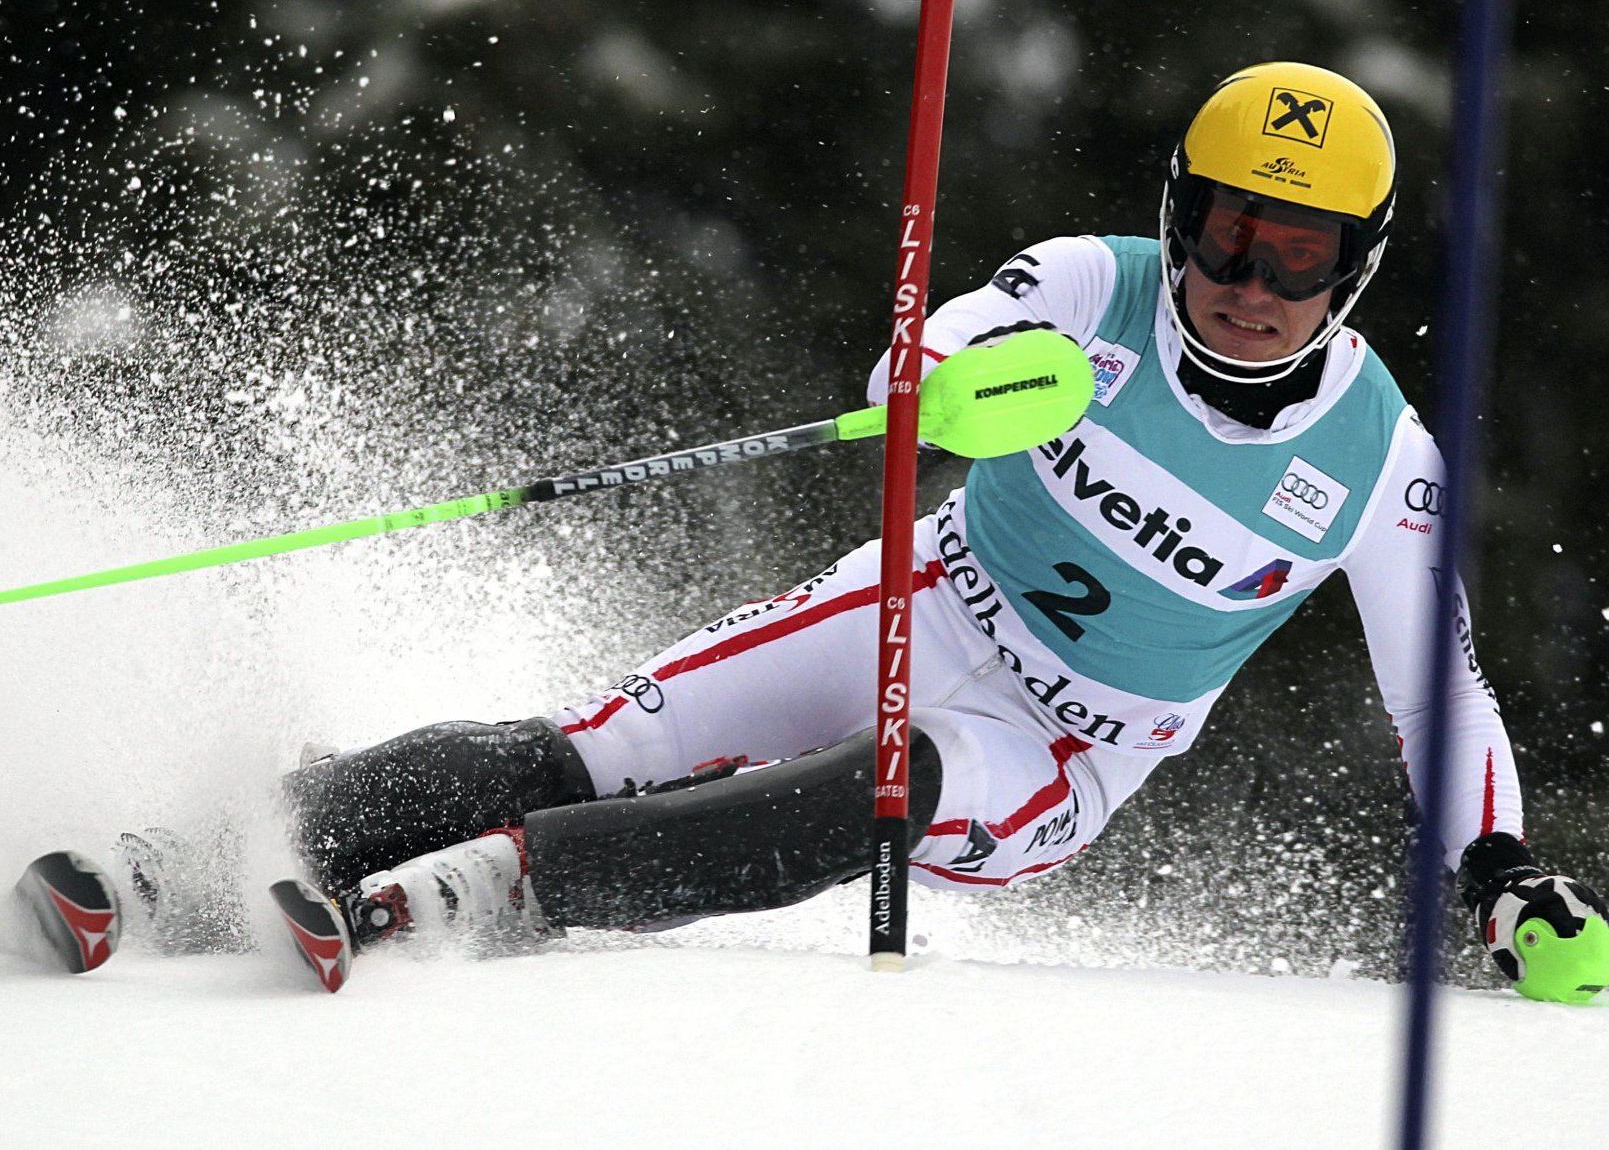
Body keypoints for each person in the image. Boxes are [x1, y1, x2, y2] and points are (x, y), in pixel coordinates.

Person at [268, 61, 1605, 994]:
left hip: (1057, 748)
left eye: (1295, 255)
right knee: (610, 744)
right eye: (1223, 232)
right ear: (1175, 216)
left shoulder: (1381, 464)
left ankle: (481, 896)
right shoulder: (1096, 284)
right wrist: (940, 390)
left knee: (885, 784)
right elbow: (937, 349)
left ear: (1352, 266)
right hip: (924, 596)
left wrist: (1497, 869)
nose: (1246, 283)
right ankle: (250, 835)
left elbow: (1439, 695)